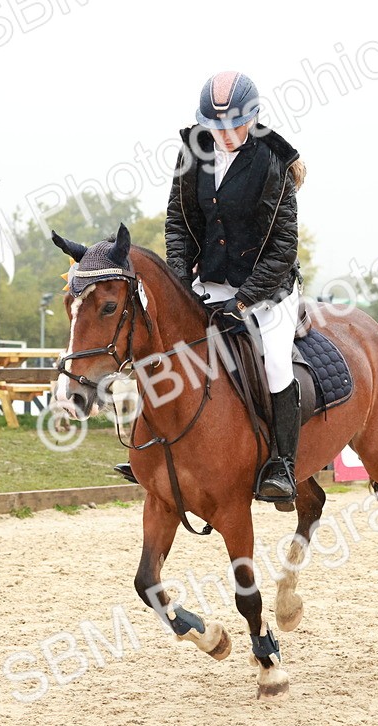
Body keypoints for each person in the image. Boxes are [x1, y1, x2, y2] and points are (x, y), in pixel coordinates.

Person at [116, 70, 307, 502]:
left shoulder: (274, 161)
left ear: (252, 118)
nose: (224, 133)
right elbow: (179, 225)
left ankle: (283, 464)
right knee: (167, 346)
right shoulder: (194, 152)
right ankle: (150, 451)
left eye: (234, 124)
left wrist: (242, 303)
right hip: (211, 282)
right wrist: (179, 284)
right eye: (216, 125)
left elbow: (282, 249)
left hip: (269, 289)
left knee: (275, 363)